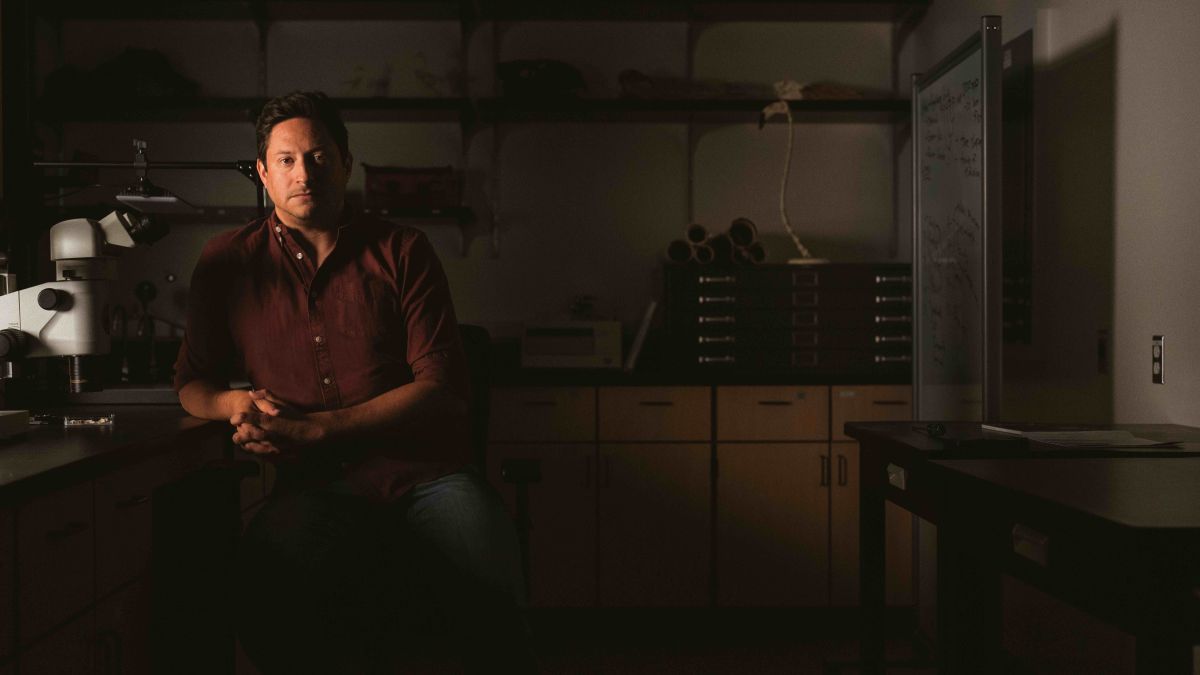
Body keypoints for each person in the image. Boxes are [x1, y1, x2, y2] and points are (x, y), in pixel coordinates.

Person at [174, 90, 533, 674]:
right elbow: (193, 381)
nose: (304, 173)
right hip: (314, 487)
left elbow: (442, 386)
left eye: (319, 157)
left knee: (488, 591)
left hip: (426, 479)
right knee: (265, 596)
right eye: (286, 160)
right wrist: (236, 404)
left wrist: (321, 428)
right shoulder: (226, 263)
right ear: (263, 173)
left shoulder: (403, 250)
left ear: (345, 162)